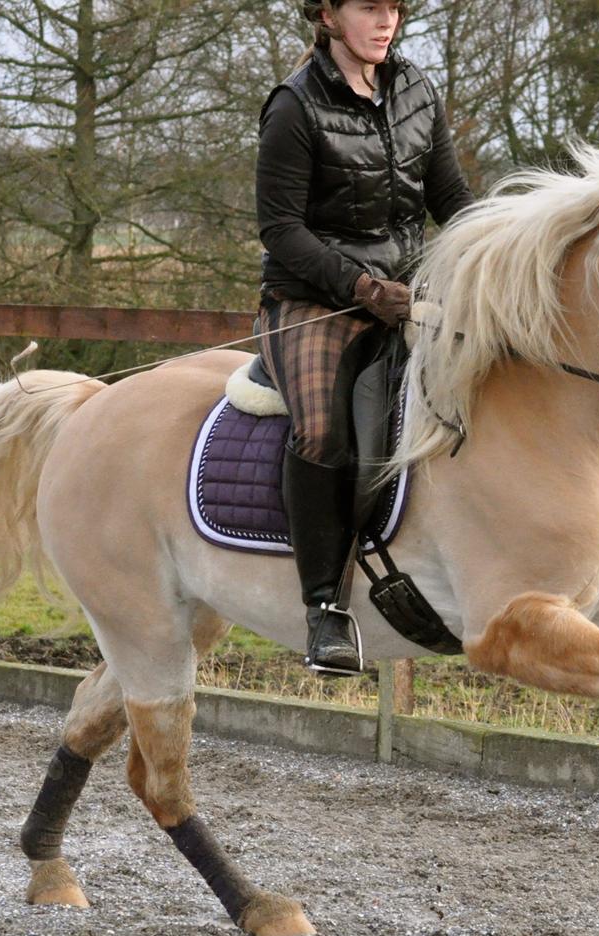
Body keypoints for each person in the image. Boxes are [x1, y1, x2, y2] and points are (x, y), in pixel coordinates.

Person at [256, 0, 474, 674]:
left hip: (411, 297)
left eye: (395, 8)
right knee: (323, 430)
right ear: (327, 13)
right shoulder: (294, 106)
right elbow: (282, 231)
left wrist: (496, 253)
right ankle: (323, 606)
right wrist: (360, 286)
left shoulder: (415, 90)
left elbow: (453, 201)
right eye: (369, 7)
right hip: (315, 303)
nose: (387, 21)